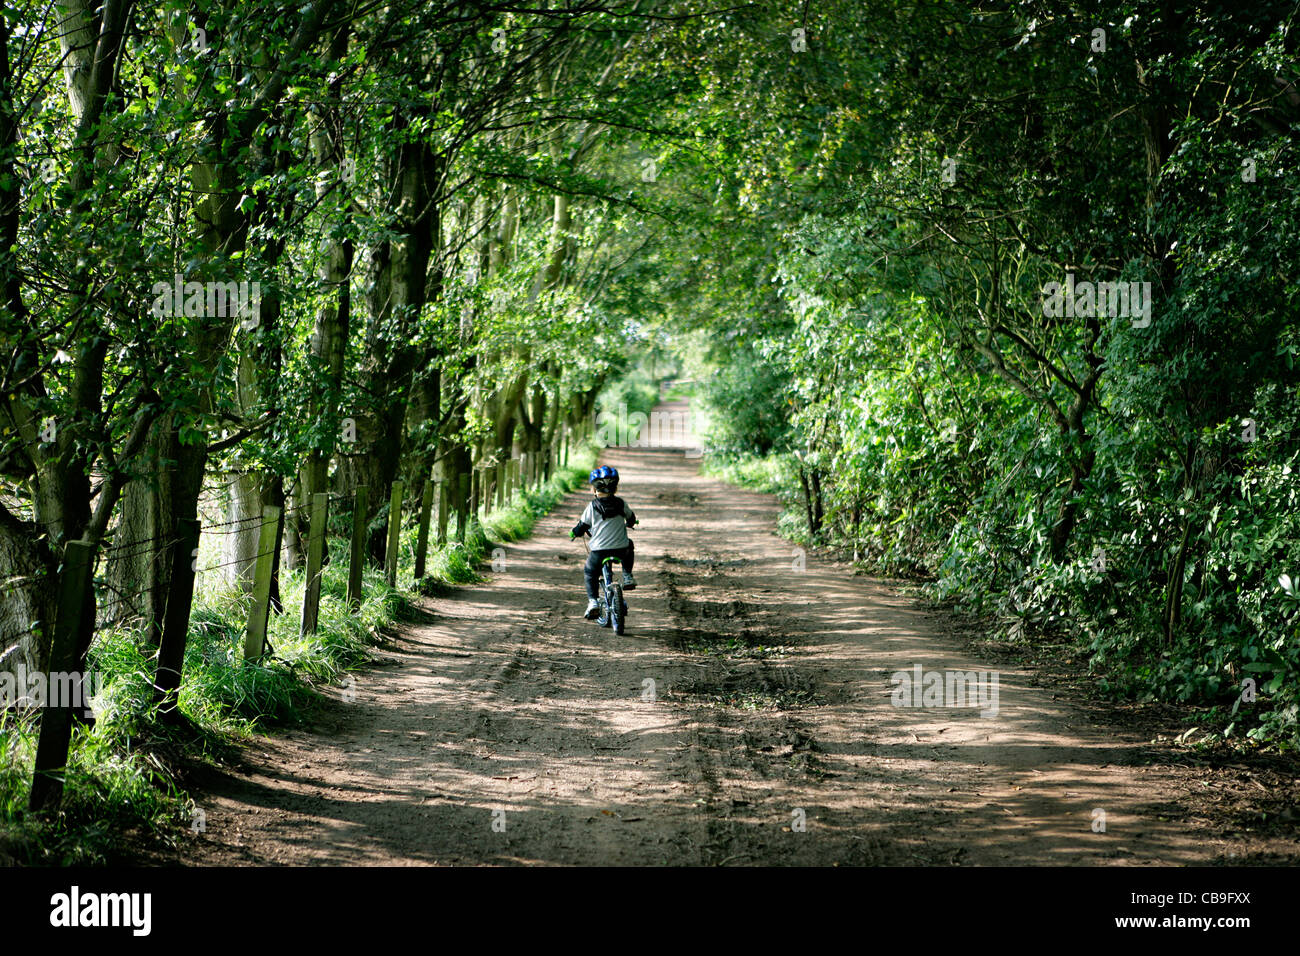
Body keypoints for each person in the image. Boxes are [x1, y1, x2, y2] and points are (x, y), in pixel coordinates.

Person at [570, 465, 637, 620]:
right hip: (621, 549)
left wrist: (575, 532)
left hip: (599, 551)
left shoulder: (592, 507)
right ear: (616, 488)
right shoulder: (621, 503)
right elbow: (631, 518)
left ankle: (593, 601)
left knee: (590, 572)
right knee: (630, 544)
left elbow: (582, 526)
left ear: (594, 489)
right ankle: (627, 575)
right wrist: (631, 523)